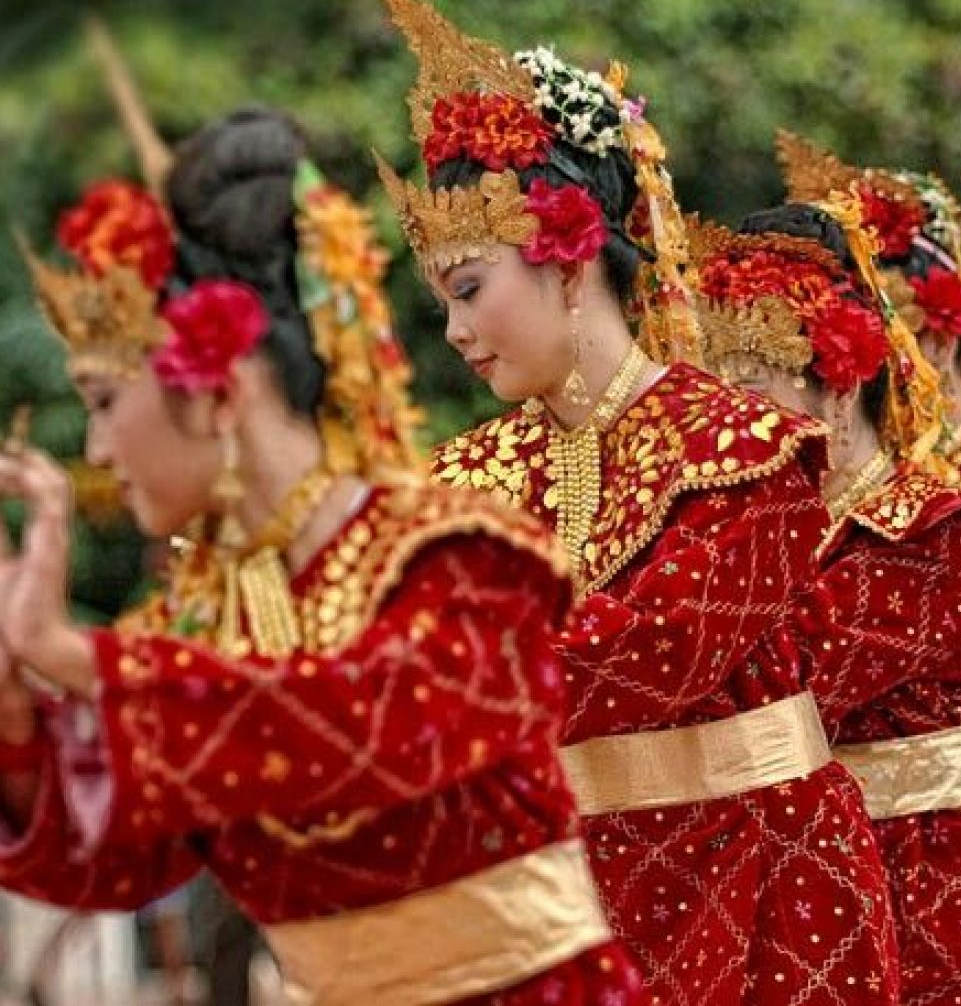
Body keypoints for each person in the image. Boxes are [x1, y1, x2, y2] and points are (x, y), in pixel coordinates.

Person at [0, 106, 648, 1006]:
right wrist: (14, 705)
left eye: (107, 402)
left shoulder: (460, 555)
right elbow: (113, 862)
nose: (99, 450)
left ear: (221, 389)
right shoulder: (203, 616)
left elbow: (370, 727)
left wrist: (77, 659)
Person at [378, 0, 900, 1004]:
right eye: (442, 300)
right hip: (562, 903)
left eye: (470, 288)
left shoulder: (746, 451)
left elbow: (654, 653)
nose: (454, 331)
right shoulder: (461, 482)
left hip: (763, 896)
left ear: (571, 257)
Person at [695, 195, 961, 1006]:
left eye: (755, 389)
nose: (735, 425)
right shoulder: (775, 528)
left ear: (840, 391)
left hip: (934, 898)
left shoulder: (927, 536)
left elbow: (772, 681)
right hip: (810, 892)